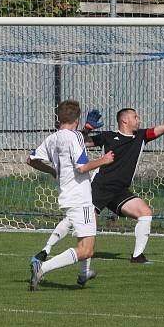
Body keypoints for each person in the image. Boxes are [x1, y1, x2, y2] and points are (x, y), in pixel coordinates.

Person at [30, 98, 164, 265]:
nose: (139, 120)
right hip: (99, 187)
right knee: (74, 219)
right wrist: (88, 128)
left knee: (145, 212)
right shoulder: (108, 136)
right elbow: (80, 141)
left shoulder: (141, 136)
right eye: (135, 117)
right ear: (125, 121)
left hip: (120, 190)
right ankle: (45, 250)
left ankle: (137, 256)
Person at [26, 100, 114, 290]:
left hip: (68, 196)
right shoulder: (76, 137)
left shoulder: (52, 138)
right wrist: (104, 160)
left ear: (59, 117)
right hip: (79, 198)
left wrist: (51, 171)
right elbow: (81, 167)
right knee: (87, 249)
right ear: (77, 119)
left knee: (84, 240)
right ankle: (42, 267)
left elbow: (31, 160)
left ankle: (83, 274)